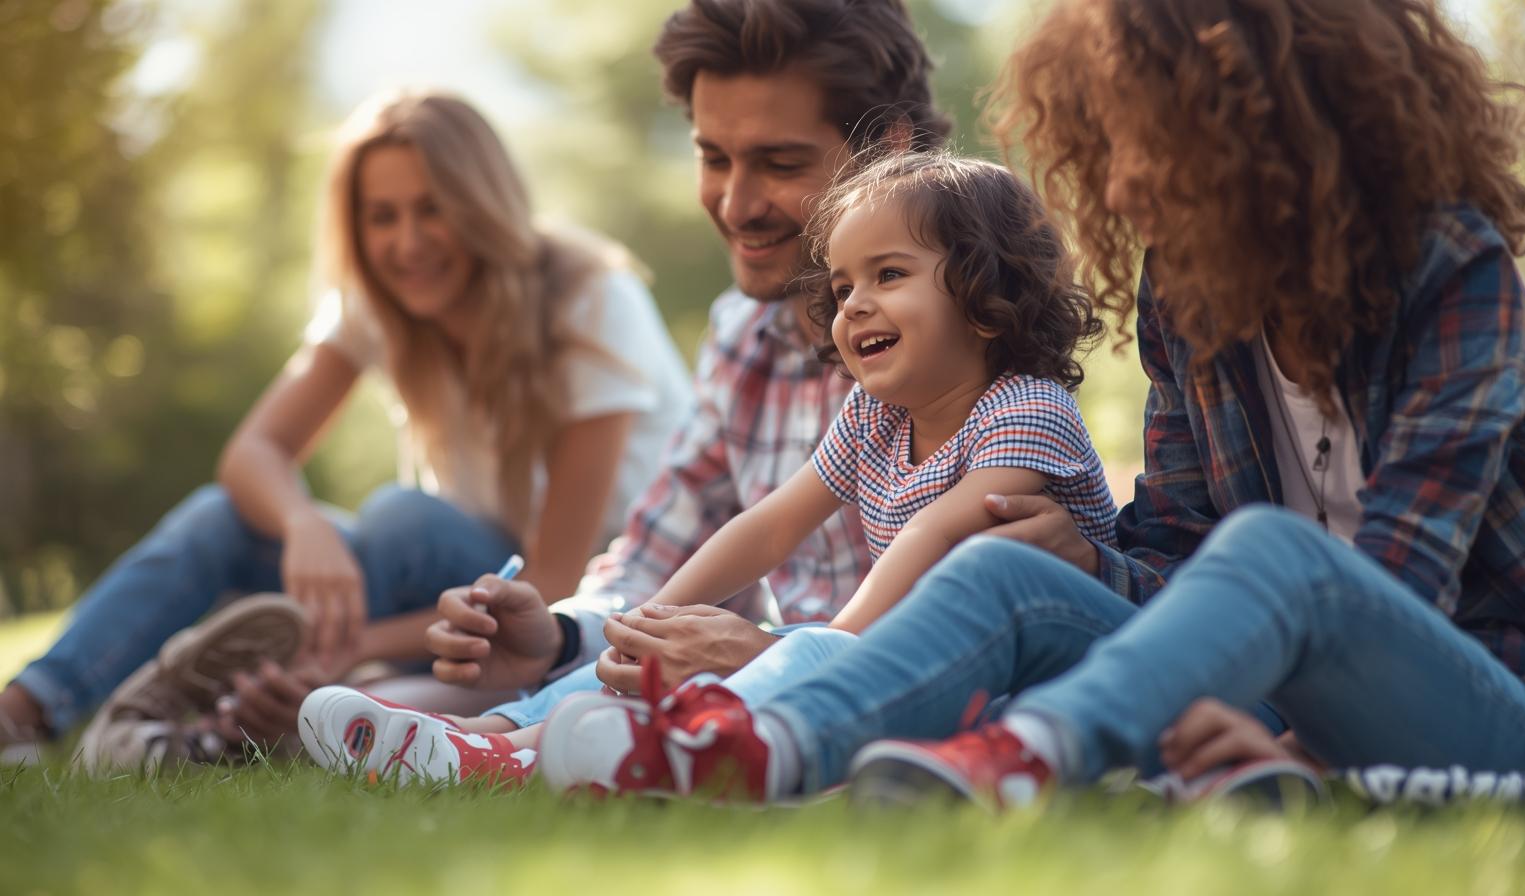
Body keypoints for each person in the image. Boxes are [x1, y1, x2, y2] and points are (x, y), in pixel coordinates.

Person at [531, 0, 1525, 807]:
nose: (1122, 183)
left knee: (1280, 550)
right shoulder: (1190, 295)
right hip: (1263, 695)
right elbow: (1180, 544)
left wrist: (1307, 751)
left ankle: (1022, 754)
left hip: (1510, 706)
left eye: (1143, 137)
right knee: (1003, 564)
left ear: (1256, 125)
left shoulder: (1446, 270)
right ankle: (757, 744)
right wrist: (1090, 564)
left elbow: (1400, 578)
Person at [297, 152, 1121, 785]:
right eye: (840, 286)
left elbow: (943, 535)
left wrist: (826, 646)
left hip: (1010, 691)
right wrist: (647, 621)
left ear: (984, 293)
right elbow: (767, 525)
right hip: (888, 659)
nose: (852, 307)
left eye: (889, 275)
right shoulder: (877, 416)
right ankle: (492, 739)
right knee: (680, 649)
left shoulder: (1025, 410)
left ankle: (543, 756)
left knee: (799, 654)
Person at [0, 89, 692, 767]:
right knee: (224, 517)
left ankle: (252, 694)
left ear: (481, 206)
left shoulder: (590, 297)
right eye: (381, 217)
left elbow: (548, 584)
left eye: (432, 209)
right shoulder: (378, 307)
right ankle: (25, 712)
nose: (406, 242)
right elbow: (253, 453)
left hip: (567, 613)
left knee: (402, 519)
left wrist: (346, 643)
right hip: (441, 592)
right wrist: (304, 526)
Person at [413, 0, 954, 723]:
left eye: (780, 163)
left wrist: (765, 653)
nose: (735, 204)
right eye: (713, 157)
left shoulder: (967, 339)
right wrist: (557, 636)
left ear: (885, 150)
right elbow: (655, 561)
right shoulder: (742, 334)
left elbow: (979, 617)